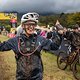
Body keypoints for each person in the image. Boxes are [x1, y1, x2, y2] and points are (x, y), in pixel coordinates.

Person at [0, 12, 59, 80]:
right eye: (28, 24)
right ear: (23, 26)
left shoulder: (40, 39)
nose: (31, 27)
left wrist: (59, 35)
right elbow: (1, 47)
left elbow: (55, 46)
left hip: (37, 78)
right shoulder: (15, 41)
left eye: (33, 24)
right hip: (21, 78)